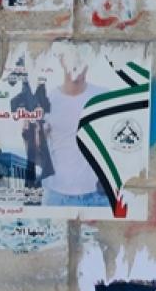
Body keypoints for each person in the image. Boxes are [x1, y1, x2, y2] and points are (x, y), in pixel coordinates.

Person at [40, 45, 109, 207]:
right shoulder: (45, 102)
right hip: (57, 196)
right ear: (61, 60)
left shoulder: (104, 97)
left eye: (81, 59)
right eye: (71, 58)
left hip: (98, 197)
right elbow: (36, 153)